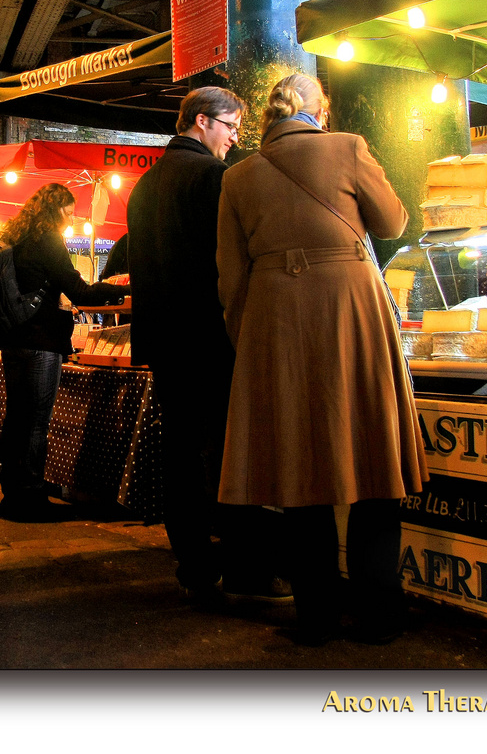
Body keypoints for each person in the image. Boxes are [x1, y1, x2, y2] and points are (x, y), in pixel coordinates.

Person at [216, 73, 427, 646]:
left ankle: (316, 617)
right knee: (374, 466)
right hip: (350, 307)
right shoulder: (348, 147)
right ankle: (379, 613)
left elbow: (230, 277)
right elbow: (393, 223)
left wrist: (253, 338)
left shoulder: (237, 177)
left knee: (298, 473)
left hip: (273, 320)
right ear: (316, 110)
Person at [127, 86, 285, 604]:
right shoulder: (212, 177)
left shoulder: (145, 185)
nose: (235, 140)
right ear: (202, 122)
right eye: (232, 127)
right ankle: (246, 571)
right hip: (211, 337)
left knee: (178, 451)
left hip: (165, 341)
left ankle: (194, 564)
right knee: (227, 452)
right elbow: (230, 259)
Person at [0, 183, 127, 522]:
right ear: (55, 210)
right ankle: (32, 498)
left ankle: (11, 494)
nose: (70, 220)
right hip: (40, 341)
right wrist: (118, 290)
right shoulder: (49, 240)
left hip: (12, 338)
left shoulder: (18, 237)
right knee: (36, 421)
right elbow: (78, 288)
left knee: (16, 417)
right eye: (68, 213)